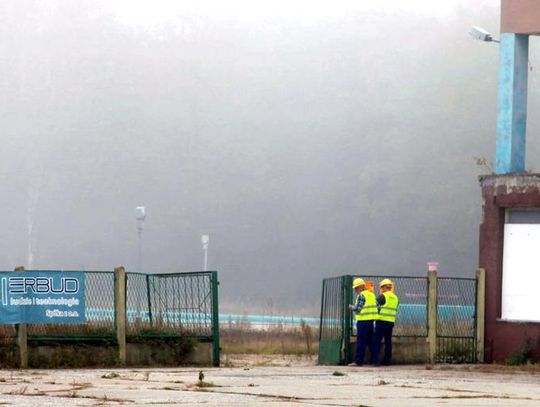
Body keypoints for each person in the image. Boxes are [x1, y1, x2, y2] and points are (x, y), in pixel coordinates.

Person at [348, 278, 378, 366]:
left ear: (361, 287)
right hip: (371, 321)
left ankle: (358, 361)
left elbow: (358, 309)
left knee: (361, 342)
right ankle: (375, 361)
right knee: (372, 342)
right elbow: (378, 306)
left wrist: (351, 307)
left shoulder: (361, 296)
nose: (355, 290)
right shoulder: (371, 295)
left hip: (362, 322)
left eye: (356, 288)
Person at [372, 278, 399, 366]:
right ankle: (387, 361)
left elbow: (375, 306)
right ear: (390, 287)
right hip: (390, 322)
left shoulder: (382, 296)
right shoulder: (396, 298)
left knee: (377, 342)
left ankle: (376, 361)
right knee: (388, 342)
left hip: (381, 321)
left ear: (383, 287)